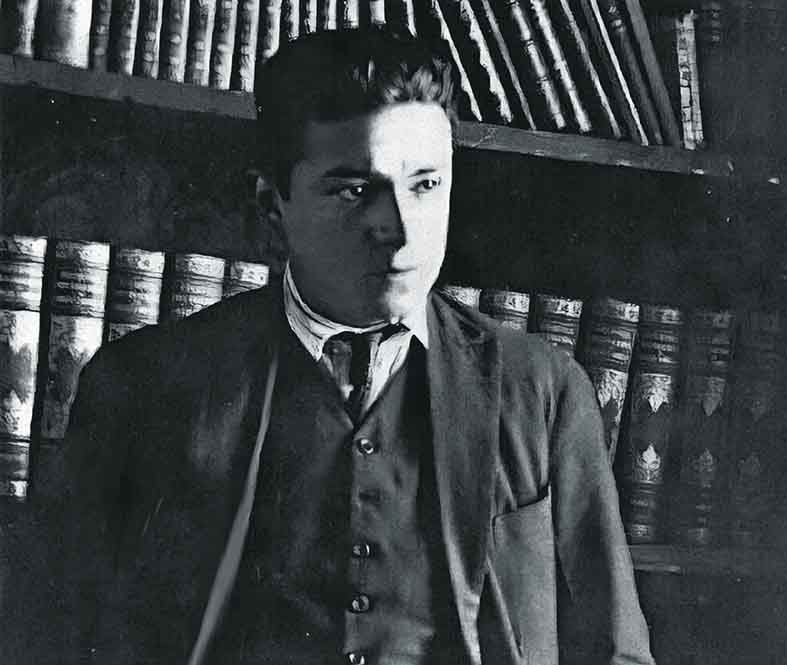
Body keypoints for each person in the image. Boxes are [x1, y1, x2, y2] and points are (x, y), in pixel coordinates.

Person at [59, 27, 655, 665]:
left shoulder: (544, 392)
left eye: (425, 185)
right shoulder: (141, 386)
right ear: (272, 204)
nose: (398, 231)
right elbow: (58, 636)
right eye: (354, 190)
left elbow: (617, 652)